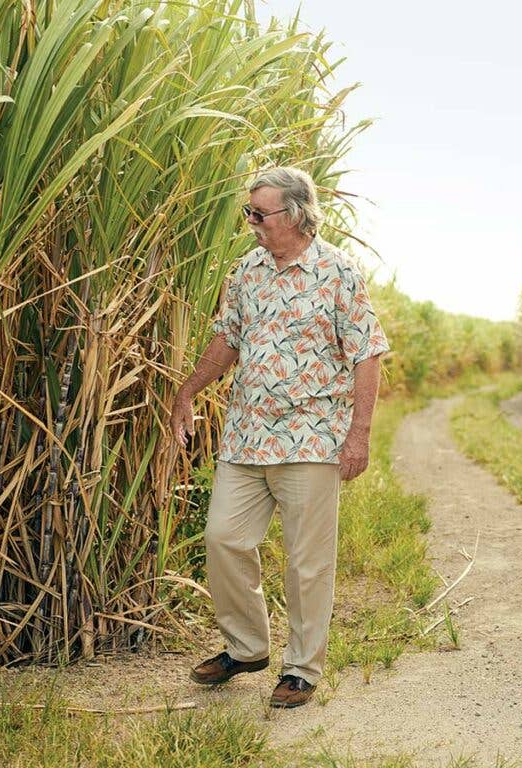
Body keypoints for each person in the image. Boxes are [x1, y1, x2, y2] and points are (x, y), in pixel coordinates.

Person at [171, 166, 390, 708]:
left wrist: (358, 435)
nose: (250, 222)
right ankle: (246, 647)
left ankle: (301, 669)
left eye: (259, 213)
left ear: (294, 214)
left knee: (306, 560)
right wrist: (188, 391)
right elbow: (228, 340)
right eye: (249, 212)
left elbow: (368, 354)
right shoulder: (247, 271)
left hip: (312, 439)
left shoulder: (339, 273)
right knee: (224, 538)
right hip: (247, 436)